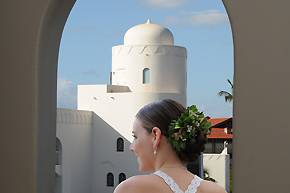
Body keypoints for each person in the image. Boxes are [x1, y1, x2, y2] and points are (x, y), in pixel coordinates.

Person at [114, 99, 227, 193]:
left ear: (155, 136)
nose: (131, 147)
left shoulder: (131, 188)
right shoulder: (216, 190)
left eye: (135, 137)